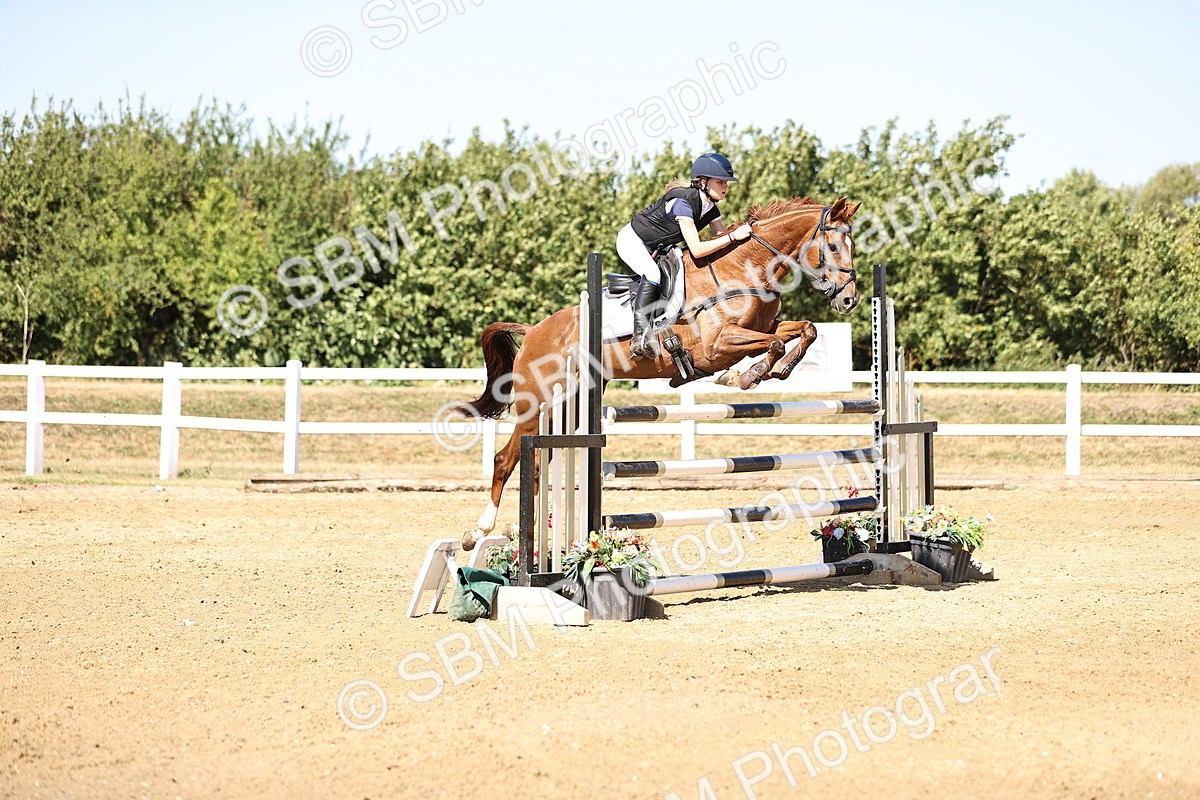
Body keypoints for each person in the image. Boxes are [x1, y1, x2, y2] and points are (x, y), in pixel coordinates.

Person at [616, 152, 753, 359]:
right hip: (632, 241)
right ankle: (640, 336)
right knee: (653, 274)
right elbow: (697, 249)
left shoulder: (711, 209)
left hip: (658, 247)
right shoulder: (682, 202)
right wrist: (733, 236)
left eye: (726, 182)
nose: (725, 186)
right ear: (703, 182)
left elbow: (722, 242)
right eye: (720, 181)